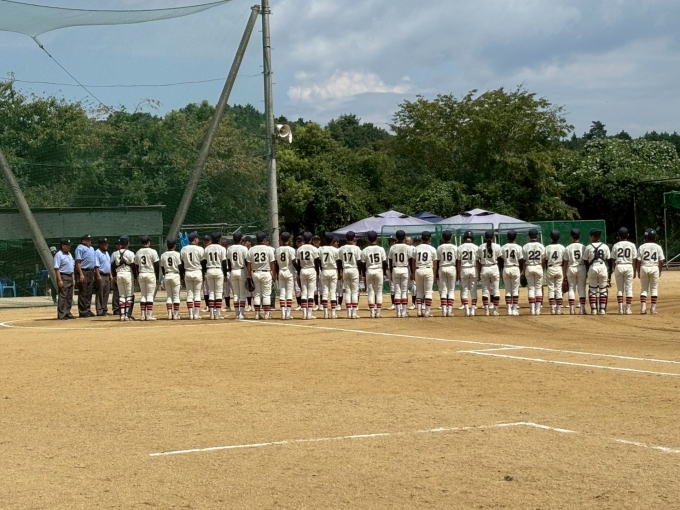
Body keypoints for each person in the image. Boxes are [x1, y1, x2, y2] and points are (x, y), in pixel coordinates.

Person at [247, 232, 276, 320]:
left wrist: (249, 275)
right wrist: (273, 274)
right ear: (264, 240)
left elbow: (249, 264)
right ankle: (267, 314)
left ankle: (257, 314)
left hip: (255, 273)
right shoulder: (269, 249)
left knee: (257, 294)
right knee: (266, 295)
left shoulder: (251, 249)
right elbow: (272, 263)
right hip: (266, 273)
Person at [636, 228, 665, 315]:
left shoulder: (642, 247)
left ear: (645, 237)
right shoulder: (658, 247)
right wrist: (659, 270)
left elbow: (638, 261)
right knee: (654, 289)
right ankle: (653, 309)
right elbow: (661, 261)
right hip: (654, 267)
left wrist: (638, 271)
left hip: (644, 267)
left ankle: (643, 308)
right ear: (655, 237)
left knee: (644, 289)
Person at [611, 227, 638, 315]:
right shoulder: (632, 245)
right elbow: (634, 259)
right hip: (629, 265)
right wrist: (634, 270)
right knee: (628, 288)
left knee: (620, 289)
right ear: (628, 235)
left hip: (619, 265)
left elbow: (613, 259)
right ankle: (628, 309)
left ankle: (620, 309)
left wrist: (614, 268)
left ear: (618, 236)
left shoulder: (616, 245)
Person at [584, 228, 611, 315]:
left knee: (592, 290)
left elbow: (585, 260)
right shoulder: (605, 246)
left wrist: (588, 270)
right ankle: (602, 309)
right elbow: (608, 259)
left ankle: (594, 310)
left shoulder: (588, 247)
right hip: (603, 267)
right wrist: (609, 273)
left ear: (592, 236)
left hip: (592, 267)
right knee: (603, 290)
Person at [361, 231, 388, 318]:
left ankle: (372, 312)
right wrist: (384, 273)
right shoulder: (381, 249)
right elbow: (384, 263)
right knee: (379, 292)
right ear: (376, 239)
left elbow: (363, 264)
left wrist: (363, 275)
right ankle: (378, 312)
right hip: (379, 270)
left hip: (369, 271)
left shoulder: (365, 250)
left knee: (370, 292)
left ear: (368, 239)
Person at [411, 231, 438, 317]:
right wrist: (434, 274)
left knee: (419, 291)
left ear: (422, 238)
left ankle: (419, 311)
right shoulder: (432, 249)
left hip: (418, 269)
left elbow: (413, 261)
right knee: (428, 292)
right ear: (429, 239)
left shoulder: (416, 248)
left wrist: (413, 272)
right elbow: (435, 263)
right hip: (428, 269)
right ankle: (427, 312)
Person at [180, 232, 205, 320]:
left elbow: (182, 263)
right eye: (197, 238)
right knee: (197, 294)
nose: (198, 240)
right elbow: (203, 262)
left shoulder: (183, 249)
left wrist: (182, 275)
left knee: (189, 294)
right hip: (197, 271)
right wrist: (203, 273)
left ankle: (190, 314)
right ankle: (196, 314)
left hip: (188, 272)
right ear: (195, 239)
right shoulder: (200, 249)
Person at [477, 230, 503, 316]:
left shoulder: (480, 247)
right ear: (493, 237)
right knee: (496, 291)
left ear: (485, 237)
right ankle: (495, 310)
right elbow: (500, 260)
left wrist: (479, 271)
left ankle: (486, 311)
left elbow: (478, 260)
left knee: (485, 291)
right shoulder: (497, 246)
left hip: (484, 268)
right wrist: (501, 271)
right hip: (494, 267)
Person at [296, 232, 320, 320]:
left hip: (303, 270)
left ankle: (304, 314)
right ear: (311, 240)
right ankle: (309, 314)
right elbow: (316, 263)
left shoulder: (299, 249)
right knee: (310, 293)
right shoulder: (314, 249)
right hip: (311, 270)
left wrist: (299, 273)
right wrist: (317, 273)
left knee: (304, 292)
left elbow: (298, 263)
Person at [338, 231, 363, 318]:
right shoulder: (357, 248)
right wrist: (360, 273)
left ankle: (349, 313)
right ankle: (354, 313)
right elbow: (359, 262)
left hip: (345, 269)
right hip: (354, 269)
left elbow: (339, 261)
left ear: (346, 238)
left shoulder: (341, 248)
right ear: (354, 238)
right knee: (354, 291)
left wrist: (340, 272)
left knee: (347, 291)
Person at [203, 232, 227, 320]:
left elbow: (204, 262)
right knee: (218, 292)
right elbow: (224, 263)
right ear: (219, 239)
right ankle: (218, 314)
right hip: (218, 270)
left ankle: (212, 314)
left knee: (212, 292)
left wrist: (204, 272)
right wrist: (225, 274)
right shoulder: (222, 248)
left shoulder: (207, 248)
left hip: (209, 270)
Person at [389, 230, 413, 318]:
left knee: (397, 291)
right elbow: (410, 260)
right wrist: (412, 272)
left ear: (396, 237)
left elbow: (390, 261)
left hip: (395, 269)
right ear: (404, 237)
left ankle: (398, 312)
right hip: (404, 269)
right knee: (404, 291)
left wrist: (391, 272)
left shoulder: (392, 247)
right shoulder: (407, 247)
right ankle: (404, 312)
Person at [135, 235, 160, 321]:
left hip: (141, 274)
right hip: (150, 274)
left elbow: (136, 265)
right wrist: (157, 277)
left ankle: (142, 315)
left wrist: (137, 275)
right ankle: (149, 315)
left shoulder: (138, 252)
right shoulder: (153, 251)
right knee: (149, 295)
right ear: (148, 242)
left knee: (143, 295)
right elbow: (156, 265)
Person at [111, 237, 136, 322]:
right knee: (129, 295)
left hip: (119, 274)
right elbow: (133, 266)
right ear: (127, 244)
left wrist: (114, 275)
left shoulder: (115, 253)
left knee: (121, 295)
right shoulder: (130, 253)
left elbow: (112, 265)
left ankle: (122, 315)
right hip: (127, 274)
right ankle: (127, 315)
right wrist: (135, 277)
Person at [522, 229, 545, 316]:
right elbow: (543, 260)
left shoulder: (525, 246)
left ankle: (532, 310)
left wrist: (523, 272)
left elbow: (524, 261)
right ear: (537, 236)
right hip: (538, 266)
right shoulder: (541, 246)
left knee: (531, 288)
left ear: (529, 236)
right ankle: (538, 310)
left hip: (529, 267)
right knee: (538, 288)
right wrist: (542, 268)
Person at [564, 229, 587, 315]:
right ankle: (582, 309)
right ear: (579, 236)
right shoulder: (583, 247)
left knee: (571, 288)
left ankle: (571, 310)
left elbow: (565, 262)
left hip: (571, 268)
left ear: (571, 236)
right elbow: (586, 260)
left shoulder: (568, 248)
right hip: (581, 267)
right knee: (581, 288)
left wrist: (564, 274)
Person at [227, 232, 249, 320]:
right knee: (242, 293)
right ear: (241, 239)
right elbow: (247, 262)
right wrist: (248, 273)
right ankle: (241, 314)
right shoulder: (244, 248)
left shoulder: (229, 248)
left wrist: (230, 271)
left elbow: (228, 262)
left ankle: (237, 314)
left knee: (236, 293)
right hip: (241, 270)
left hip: (233, 270)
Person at [500, 230, 523, 316]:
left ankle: (509, 310)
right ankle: (514, 309)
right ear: (515, 237)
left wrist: (501, 270)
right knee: (515, 290)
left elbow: (500, 261)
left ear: (507, 237)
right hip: (515, 268)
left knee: (508, 290)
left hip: (506, 268)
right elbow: (521, 260)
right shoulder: (519, 247)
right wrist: (522, 271)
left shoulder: (503, 247)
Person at [543, 230, 567, 315]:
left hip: (550, 268)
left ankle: (552, 309)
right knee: (558, 289)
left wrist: (546, 269)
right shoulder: (562, 247)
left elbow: (545, 260)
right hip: (559, 268)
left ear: (551, 238)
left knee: (551, 289)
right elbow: (564, 260)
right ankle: (558, 310)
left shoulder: (547, 247)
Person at [275, 232, 297, 320]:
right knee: (289, 293)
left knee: (282, 292)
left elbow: (276, 263)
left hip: (281, 271)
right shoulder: (291, 249)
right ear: (289, 239)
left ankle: (283, 313)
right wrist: (299, 270)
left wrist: (276, 273)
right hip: (289, 271)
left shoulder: (277, 250)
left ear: (281, 239)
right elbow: (294, 262)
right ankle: (288, 313)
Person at [318, 236, 341, 319]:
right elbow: (338, 262)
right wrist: (340, 272)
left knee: (324, 292)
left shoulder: (321, 249)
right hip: (333, 270)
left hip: (324, 270)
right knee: (333, 292)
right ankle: (333, 313)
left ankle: (325, 313)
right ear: (332, 241)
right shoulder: (335, 250)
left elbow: (318, 261)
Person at [53, 238, 75, 320]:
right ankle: (61, 314)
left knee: (69, 296)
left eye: (70, 245)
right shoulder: (58, 255)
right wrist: (59, 280)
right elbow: (56, 268)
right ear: (63, 246)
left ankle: (67, 312)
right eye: (68, 245)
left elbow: (71, 267)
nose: (69, 247)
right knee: (63, 296)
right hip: (63, 276)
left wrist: (73, 278)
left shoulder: (69, 254)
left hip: (70, 276)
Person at [74, 234, 96, 317]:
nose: (90, 241)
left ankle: (87, 309)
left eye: (90, 240)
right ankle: (82, 311)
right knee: (83, 291)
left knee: (89, 292)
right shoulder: (80, 248)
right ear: (83, 241)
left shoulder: (92, 248)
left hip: (90, 271)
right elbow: (78, 262)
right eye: (88, 240)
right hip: (84, 271)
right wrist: (81, 274)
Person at [160, 238, 182, 320]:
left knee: (169, 296)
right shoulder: (177, 254)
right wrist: (182, 276)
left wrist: (164, 275)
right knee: (176, 296)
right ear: (175, 246)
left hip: (167, 275)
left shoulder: (163, 255)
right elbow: (180, 266)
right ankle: (176, 314)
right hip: (175, 274)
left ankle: (169, 314)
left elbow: (162, 268)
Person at [458, 231, 479, 317]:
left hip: (463, 268)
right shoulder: (476, 247)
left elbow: (458, 262)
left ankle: (466, 310)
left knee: (464, 290)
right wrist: (479, 271)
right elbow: (477, 262)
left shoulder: (460, 247)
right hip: (473, 268)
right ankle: (473, 310)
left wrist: (458, 272)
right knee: (473, 290)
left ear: (464, 238)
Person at [94, 237, 112, 316]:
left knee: (106, 293)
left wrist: (110, 275)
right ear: (100, 244)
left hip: (107, 275)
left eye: (107, 243)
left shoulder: (106, 252)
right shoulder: (97, 252)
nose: (106, 245)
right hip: (101, 275)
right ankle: (99, 310)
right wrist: (98, 275)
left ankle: (104, 309)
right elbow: (96, 266)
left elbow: (108, 264)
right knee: (100, 293)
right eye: (104, 244)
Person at [111, 239, 122, 316]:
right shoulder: (114, 254)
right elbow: (111, 265)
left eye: (120, 244)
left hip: (123, 274)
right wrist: (112, 276)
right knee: (116, 292)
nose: (119, 246)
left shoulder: (125, 252)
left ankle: (122, 308)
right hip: (116, 274)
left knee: (122, 292)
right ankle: (116, 309)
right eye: (117, 244)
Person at [202, 235, 212, 312]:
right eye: (205, 240)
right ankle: (208, 306)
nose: (206, 242)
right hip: (206, 271)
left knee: (211, 290)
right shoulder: (202, 250)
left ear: (210, 241)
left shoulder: (208, 250)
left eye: (207, 241)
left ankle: (212, 306)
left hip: (210, 270)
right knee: (205, 290)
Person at [387, 236, 397, 310]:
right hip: (391, 269)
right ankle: (393, 304)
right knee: (392, 288)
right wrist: (388, 272)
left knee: (399, 288)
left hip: (397, 268)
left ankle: (399, 303)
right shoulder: (388, 251)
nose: (392, 242)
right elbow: (387, 262)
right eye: (390, 241)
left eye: (393, 241)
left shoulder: (397, 249)